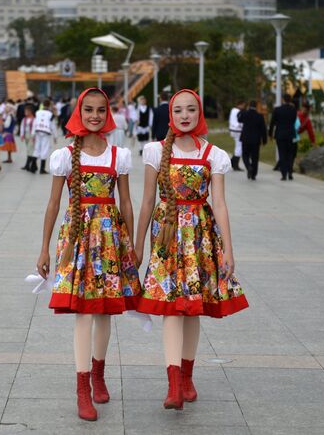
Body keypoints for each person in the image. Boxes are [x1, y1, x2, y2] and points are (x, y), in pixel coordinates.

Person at [134, 89, 248, 411]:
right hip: (167, 235)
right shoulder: (155, 151)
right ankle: (173, 384)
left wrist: (228, 249)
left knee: (192, 307)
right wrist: (138, 244)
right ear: (171, 115)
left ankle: (186, 376)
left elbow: (221, 205)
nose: (185, 116)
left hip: (200, 236)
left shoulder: (214, 155)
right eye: (179, 110)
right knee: (171, 306)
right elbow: (146, 203)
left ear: (199, 115)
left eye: (191, 110)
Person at [36, 88, 142, 422]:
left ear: (107, 113)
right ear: (78, 113)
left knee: (104, 313)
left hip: (111, 238)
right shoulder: (65, 155)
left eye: (100, 110)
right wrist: (43, 247)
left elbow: (125, 201)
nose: (94, 116)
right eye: (88, 110)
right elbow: (54, 203)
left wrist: (133, 246)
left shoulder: (118, 156)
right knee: (82, 311)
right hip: (77, 239)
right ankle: (82, 387)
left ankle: (99, 373)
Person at [269, 94, 298, 181]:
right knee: (290, 154)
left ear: (283, 100)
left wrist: (270, 134)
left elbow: (272, 123)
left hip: (280, 135)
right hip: (290, 134)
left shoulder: (277, 110)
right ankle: (290, 173)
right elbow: (293, 120)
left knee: (282, 154)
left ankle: (284, 174)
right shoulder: (293, 110)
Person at [237, 100, 268, 180]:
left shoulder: (245, 114)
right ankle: (254, 174)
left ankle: (248, 166)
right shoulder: (259, 116)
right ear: (256, 106)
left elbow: (239, 119)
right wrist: (264, 140)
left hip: (245, 138)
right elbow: (263, 129)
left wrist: (243, 111)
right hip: (256, 140)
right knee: (255, 157)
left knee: (245, 155)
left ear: (249, 106)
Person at [290, 102, 316, 178]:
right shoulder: (297, 114)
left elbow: (310, 132)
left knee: (292, 153)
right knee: (290, 152)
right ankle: (287, 167)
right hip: (290, 135)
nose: (304, 111)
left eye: (306, 110)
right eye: (303, 109)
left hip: (294, 136)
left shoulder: (307, 120)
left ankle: (288, 167)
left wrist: (313, 142)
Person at [32, 101, 56, 174]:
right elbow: (53, 126)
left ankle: (33, 166)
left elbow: (34, 123)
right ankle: (42, 169)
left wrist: (32, 133)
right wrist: (55, 136)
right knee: (44, 149)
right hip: (46, 132)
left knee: (37, 148)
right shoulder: (51, 114)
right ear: (49, 106)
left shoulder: (37, 112)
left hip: (38, 131)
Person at [228, 101, 245, 171]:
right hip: (237, 130)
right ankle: (235, 164)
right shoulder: (238, 111)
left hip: (233, 130)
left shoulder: (233, 110)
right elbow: (239, 122)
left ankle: (233, 162)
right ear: (239, 105)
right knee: (239, 147)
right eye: (243, 105)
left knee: (238, 146)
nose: (243, 107)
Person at [20, 105, 36, 172]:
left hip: (31, 135)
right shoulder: (24, 119)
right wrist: (22, 135)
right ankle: (29, 165)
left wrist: (33, 136)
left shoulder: (34, 119)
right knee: (28, 149)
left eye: (26, 111)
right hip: (26, 135)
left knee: (30, 150)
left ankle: (28, 165)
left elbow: (34, 128)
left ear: (30, 111)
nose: (25, 112)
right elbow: (22, 127)